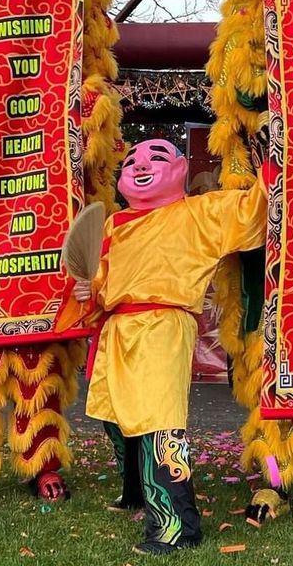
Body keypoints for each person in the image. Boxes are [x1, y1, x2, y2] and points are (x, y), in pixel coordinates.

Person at [74, 139, 266, 555]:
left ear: (180, 169)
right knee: (115, 416)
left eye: (156, 157)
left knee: (158, 422)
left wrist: (270, 161)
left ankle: (176, 526)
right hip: (116, 328)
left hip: (163, 325)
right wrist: (90, 290)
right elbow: (102, 284)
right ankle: (136, 493)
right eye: (130, 161)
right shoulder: (113, 224)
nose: (140, 165)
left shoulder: (202, 211)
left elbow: (255, 212)